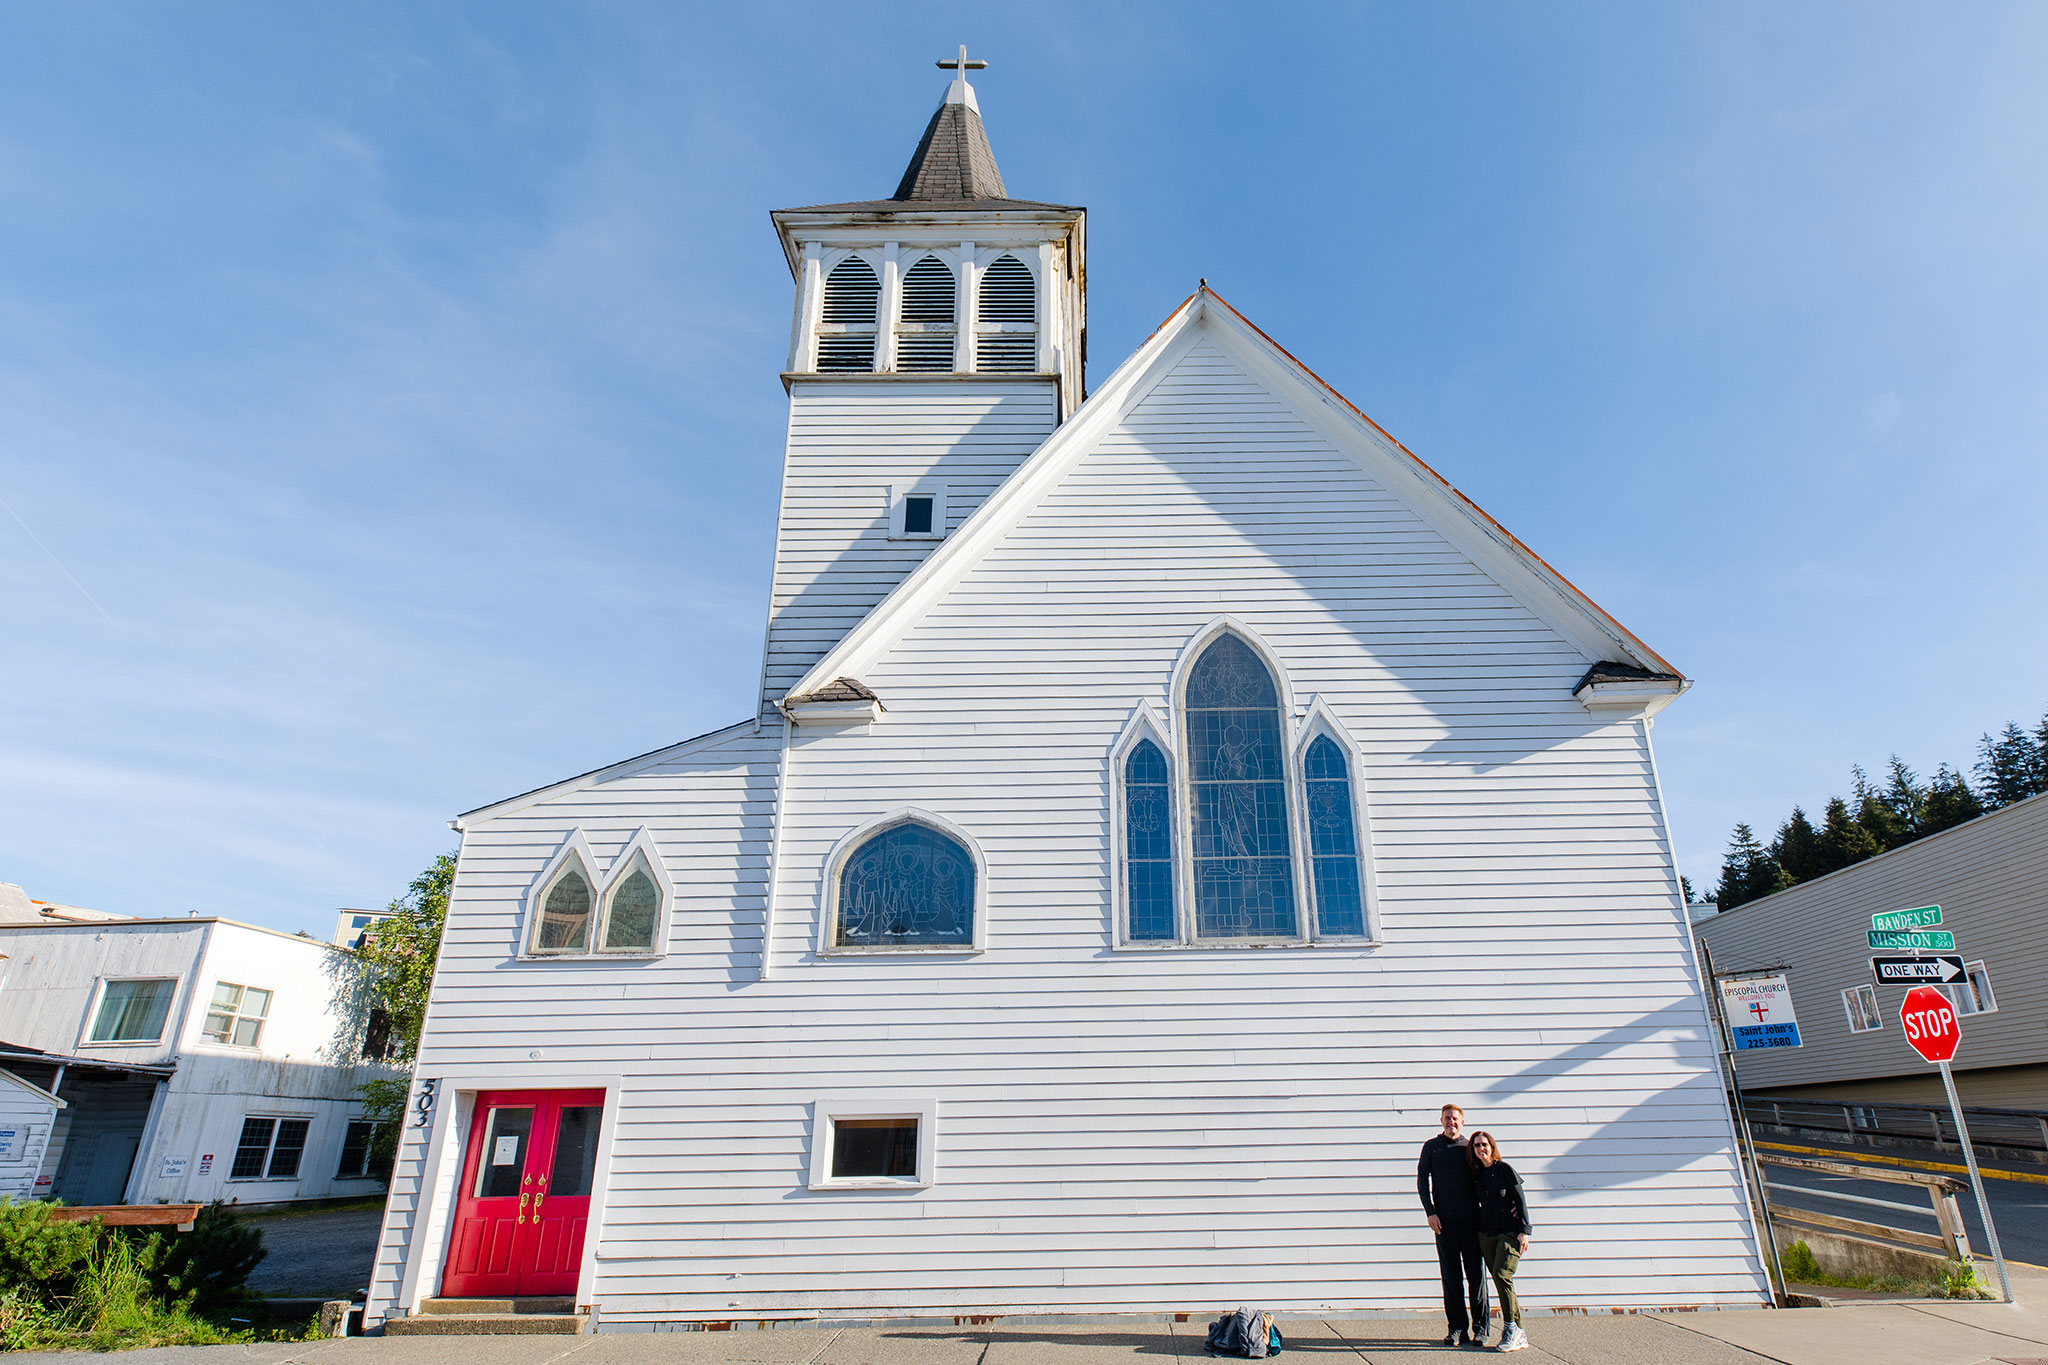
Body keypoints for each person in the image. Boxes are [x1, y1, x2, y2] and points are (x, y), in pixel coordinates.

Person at [1417, 1102, 1489, 1347]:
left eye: (1455, 1118)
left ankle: (1481, 1329)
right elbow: (1421, 1180)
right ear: (1441, 1121)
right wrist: (1431, 1212)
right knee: (1451, 1278)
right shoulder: (1432, 1147)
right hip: (1444, 1224)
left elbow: (1487, 1178)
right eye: (1447, 1118)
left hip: (1471, 1222)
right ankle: (1457, 1328)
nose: (1451, 1122)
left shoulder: (1471, 1147)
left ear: (1462, 1122)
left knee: (1476, 1277)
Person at [1467, 1130, 1531, 1353]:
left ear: (1492, 1147)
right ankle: (1519, 1331)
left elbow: (1520, 1200)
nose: (1481, 1149)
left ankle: (1510, 1328)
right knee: (1500, 1279)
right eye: (1476, 1146)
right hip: (1486, 1234)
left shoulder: (1504, 1170)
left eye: (1484, 1144)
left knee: (1503, 1275)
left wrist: (1524, 1231)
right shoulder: (1476, 1176)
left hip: (1509, 1234)